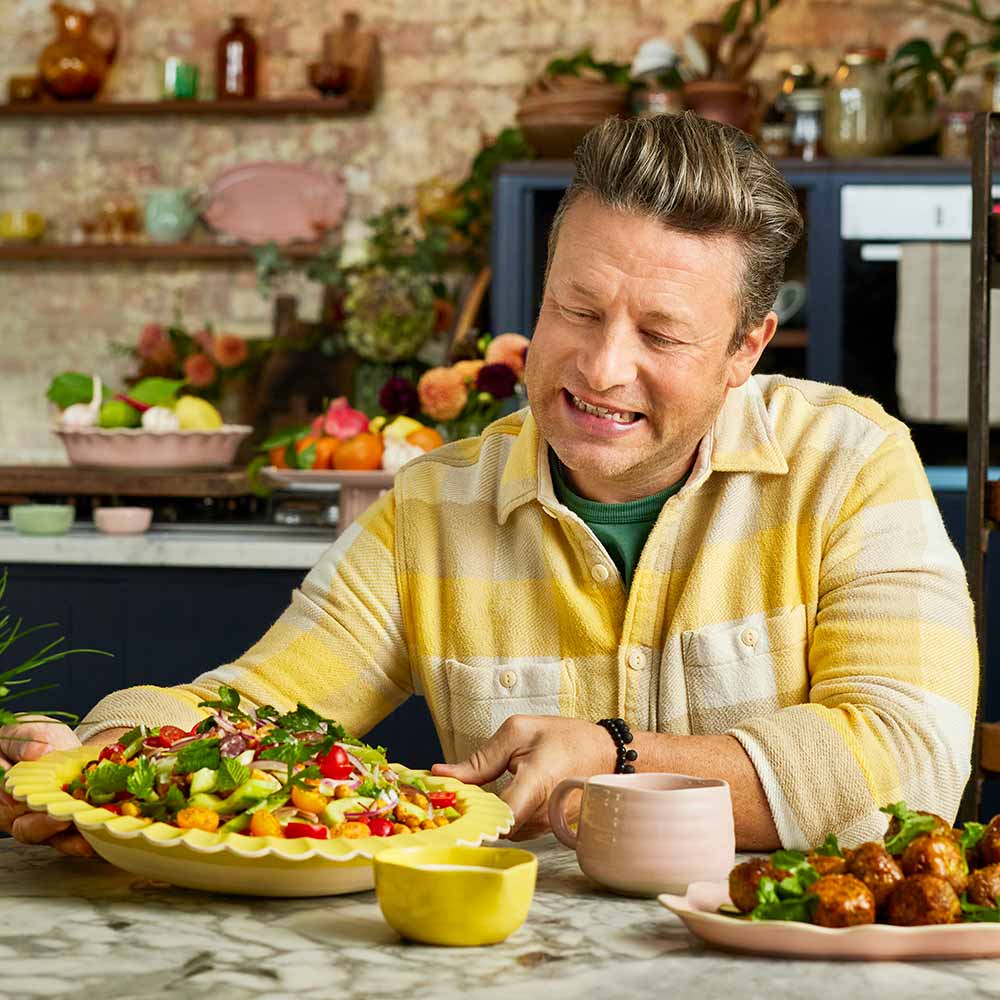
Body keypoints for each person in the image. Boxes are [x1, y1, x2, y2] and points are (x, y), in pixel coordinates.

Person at [0, 113, 977, 859]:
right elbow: (248, 711)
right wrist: (87, 758)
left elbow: (911, 763)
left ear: (743, 350)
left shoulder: (848, 462)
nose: (600, 367)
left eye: (662, 336)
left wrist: (619, 755)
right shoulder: (434, 506)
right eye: (575, 309)